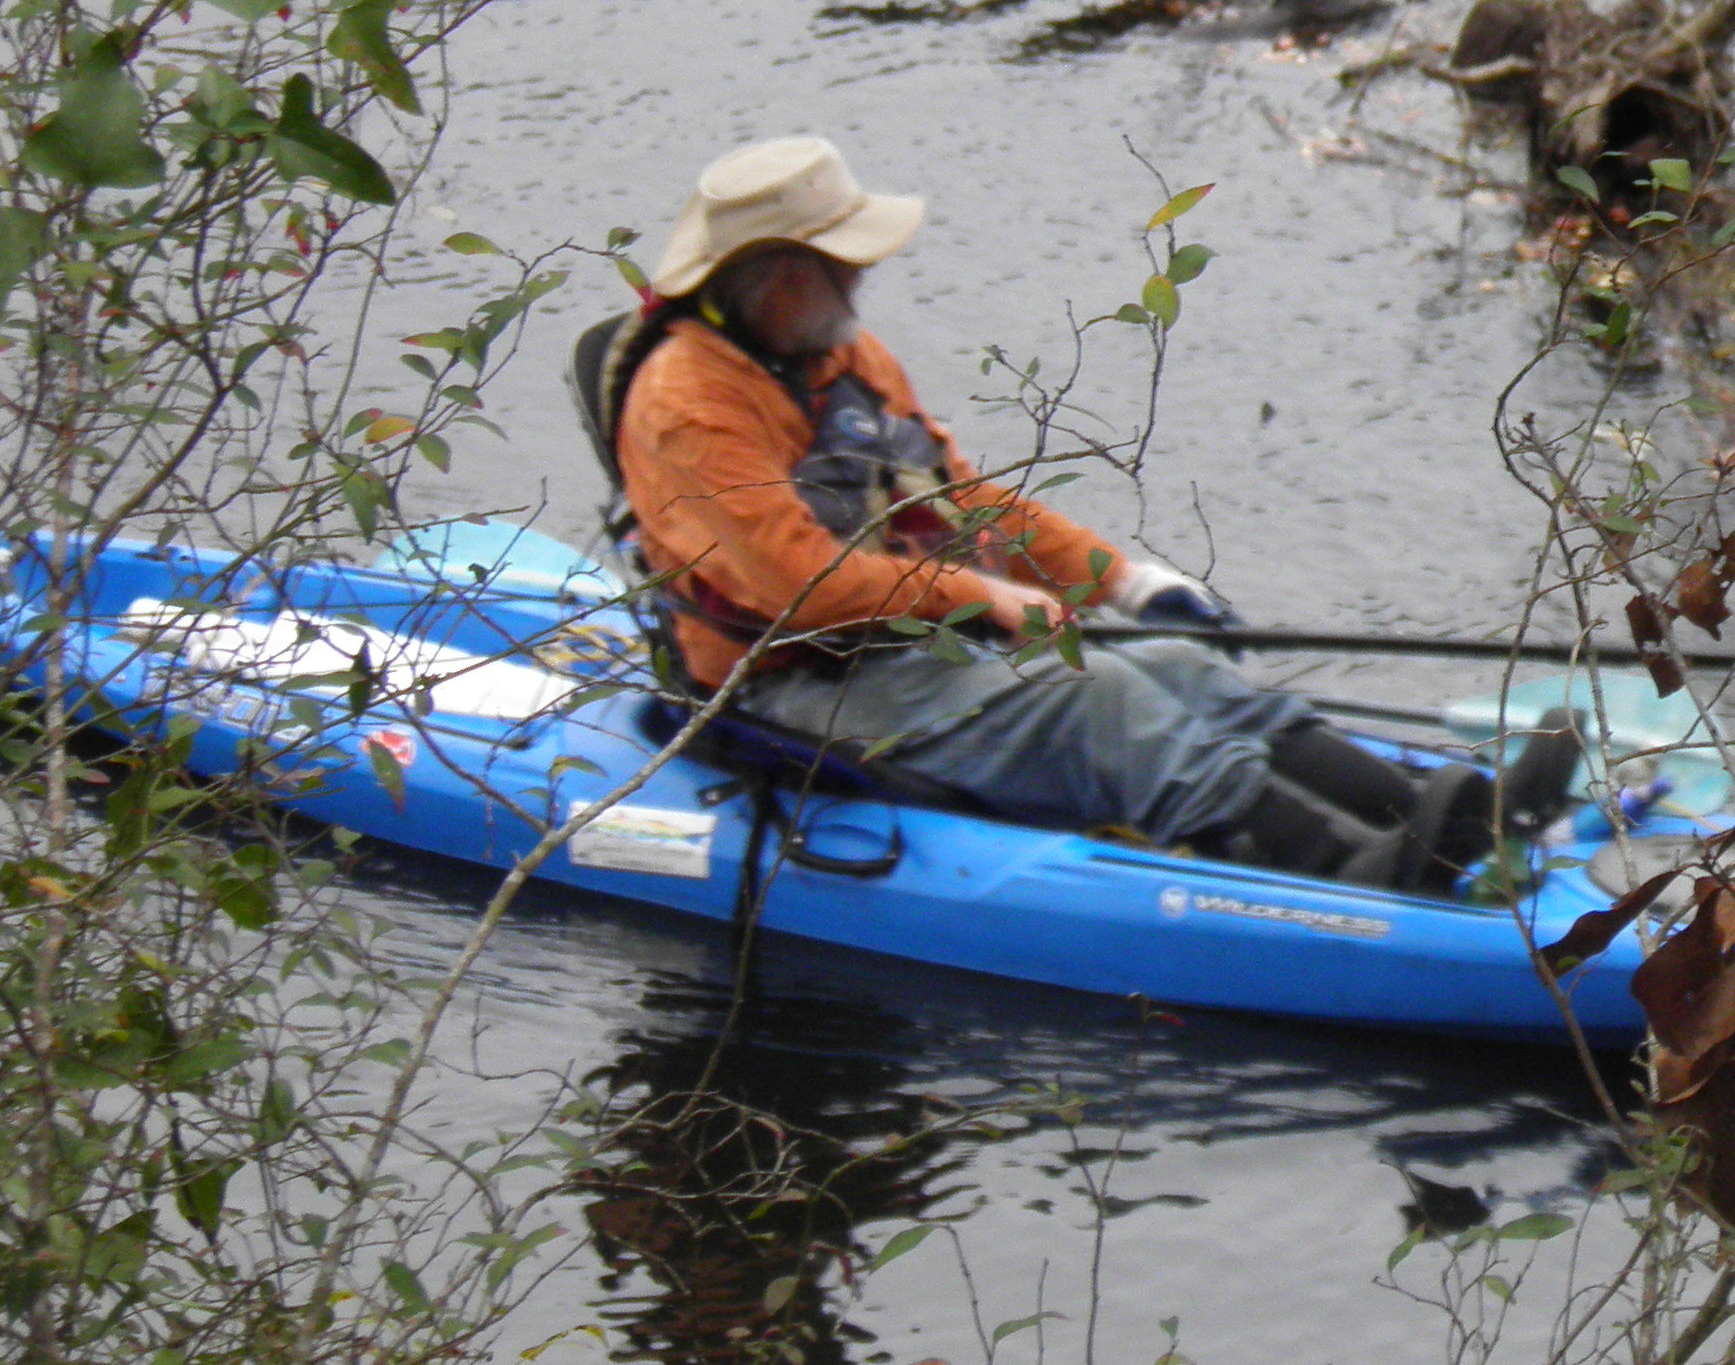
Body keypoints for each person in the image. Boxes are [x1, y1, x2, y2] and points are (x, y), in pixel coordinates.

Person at [598, 134, 1566, 893]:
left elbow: (959, 504)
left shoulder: (837, 353)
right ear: (778, 276)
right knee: (1100, 703)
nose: (863, 280)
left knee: (1181, 667)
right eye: (843, 263)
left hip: (903, 649)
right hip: (791, 685)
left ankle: (1445, 825)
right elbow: (795, 587)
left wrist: (1130, 584)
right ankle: (1349, 874)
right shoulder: (688, 402)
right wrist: (981, 600)